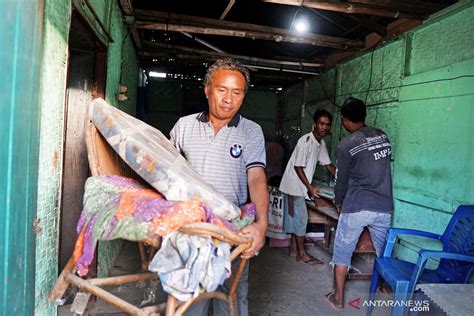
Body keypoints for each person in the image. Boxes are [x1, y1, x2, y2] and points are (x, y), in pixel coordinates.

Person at [169, 58, 269, 316]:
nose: (228, 99)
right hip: (193, 229)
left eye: (236, 92)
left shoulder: (251, 131)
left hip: (233, 230)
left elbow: (256, 177)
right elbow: (168, 175)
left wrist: (262, 223)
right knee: (192, 296)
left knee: (231, 297)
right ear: (207, 89)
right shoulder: (184, 126)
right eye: (222, 90)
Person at [325, 97, 393, 311]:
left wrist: (337, 202)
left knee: (342, 252)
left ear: (345, 120)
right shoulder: (383, 136)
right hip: (383, 206)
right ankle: (386, 287)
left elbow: (341, 179)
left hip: (356, 206)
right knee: (384, 252)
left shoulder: (346, 145)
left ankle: (338, 298)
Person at [279, 109, 336, 265]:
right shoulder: (306, 141)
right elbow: (298, 167)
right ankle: (302, 254)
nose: (324, 127)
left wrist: (341, 177)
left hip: (298, 186)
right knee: (301, 219)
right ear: (314, 125)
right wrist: (310, 187)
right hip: (294, 185)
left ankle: (293, 250)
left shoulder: (320, 143)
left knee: (294, 218)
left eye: (327, 125)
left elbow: (328, 164)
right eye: (321, 124)